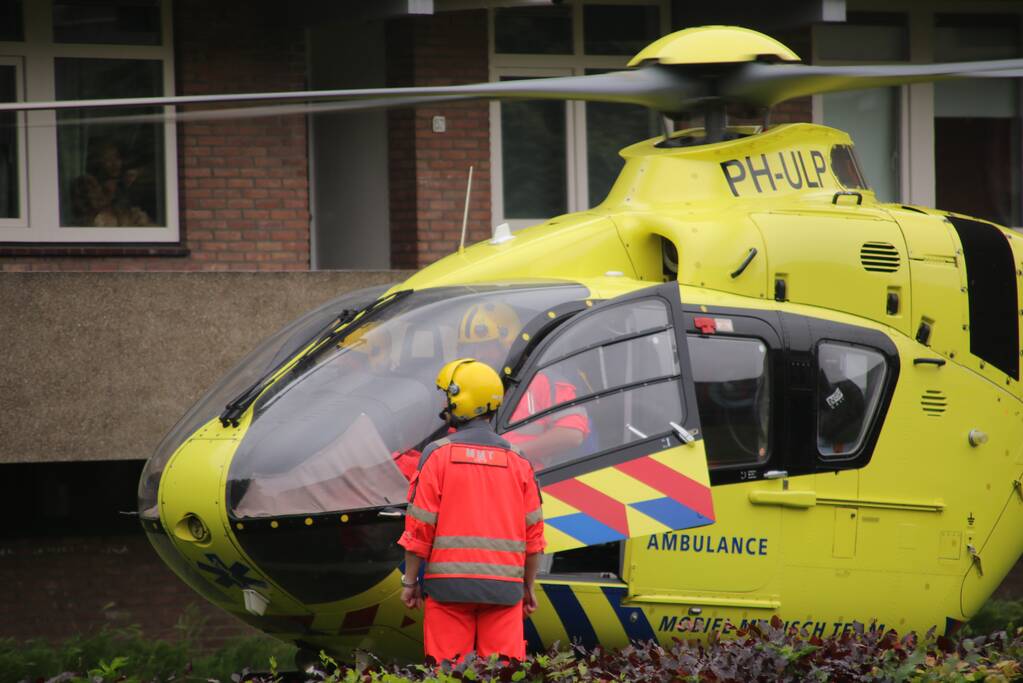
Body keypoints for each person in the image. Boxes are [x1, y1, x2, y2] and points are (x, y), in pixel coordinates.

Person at [398, 358, 545, 663]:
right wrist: (528, 587)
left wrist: (410, 582)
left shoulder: (437, 456)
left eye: (448, 398)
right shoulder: (519, 461)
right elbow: (534, 537)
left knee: (447, 672)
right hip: (505, 592)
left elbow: (419, 529)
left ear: (461, 401)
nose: (445, 405)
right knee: (505, 672)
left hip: (447, 590)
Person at [457, 302, 589, 466]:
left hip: (530, 476)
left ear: (507, 342)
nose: (478, 354)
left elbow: (571, 434)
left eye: (485, 346)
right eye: (471, 347)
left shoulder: (542, 380)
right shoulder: (467, 385)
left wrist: (508, 454)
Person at [70, 139, 153, 226]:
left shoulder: (126, 181)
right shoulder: (91, 187)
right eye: (107, 159)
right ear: (99, 163)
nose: (115, 163)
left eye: (117, 157)